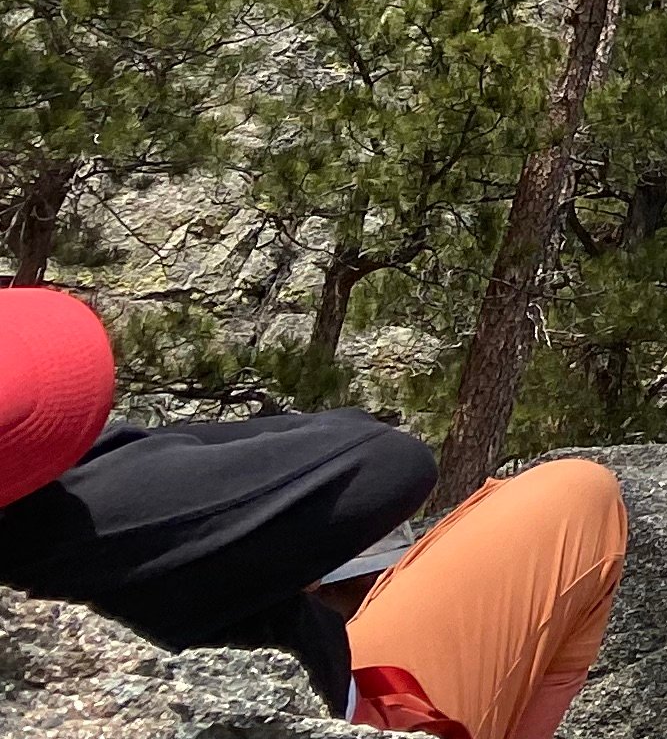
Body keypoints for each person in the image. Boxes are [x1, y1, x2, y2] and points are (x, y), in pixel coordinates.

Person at [0, 285, 631, 738]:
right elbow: (384, 459)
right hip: (332, 703)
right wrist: (123, 453)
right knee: (579, 499)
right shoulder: (94, 515)